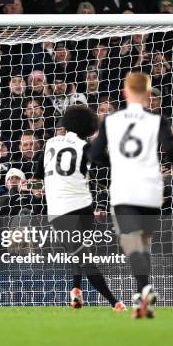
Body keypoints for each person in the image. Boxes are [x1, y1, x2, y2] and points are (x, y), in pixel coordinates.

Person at [88, 72, 173, 319]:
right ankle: (143, 294)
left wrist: (116, 162)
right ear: (148, 93)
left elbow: (93, 154)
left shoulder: (111, 120)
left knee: (131, 242)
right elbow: (170, 148)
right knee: (144, 243)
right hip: (151, 189)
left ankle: (144, 290)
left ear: (125, 92)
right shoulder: (158, 120)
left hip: (125, 189)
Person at [35, 105, 124, 311]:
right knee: (82, 253)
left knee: (82, 256)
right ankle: (81, 292)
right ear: (89, 128)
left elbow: (38, 174)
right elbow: (109, 164)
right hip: (83, 209)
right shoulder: (86, 147)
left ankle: (112, 302)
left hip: (59, 211)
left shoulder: (49, 143)